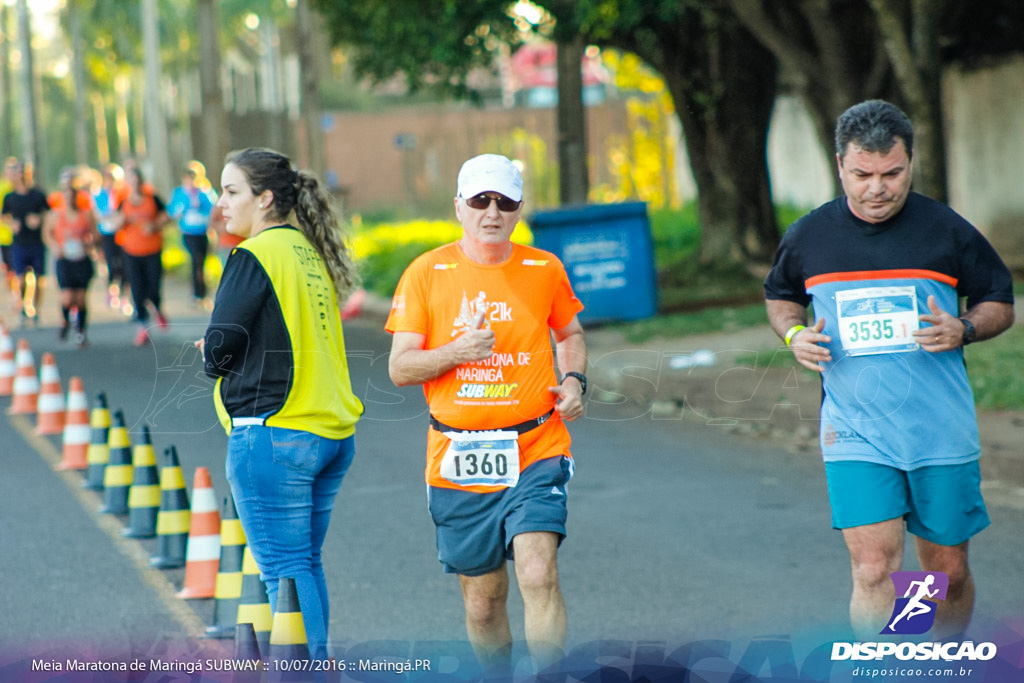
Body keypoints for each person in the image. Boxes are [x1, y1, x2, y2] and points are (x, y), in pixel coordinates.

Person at [764, 99, 1015, 640]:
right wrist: (794, 334)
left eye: (891, 174)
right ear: (839, 166)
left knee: (945, 572)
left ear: (910, 163)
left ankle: (935, 661)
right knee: (874, 569)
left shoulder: (946, 230)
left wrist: (964, 328)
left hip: (939, 429)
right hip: (855, 428)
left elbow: (999, 301)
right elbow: (780, 296)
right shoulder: (810, 236)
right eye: (862, 174)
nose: (877, 188)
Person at [385, 153, 587, 673]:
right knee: (484, 601)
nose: (492, 211)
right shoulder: (426, 273)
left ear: (519, 208)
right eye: (480, 200)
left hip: (537, 445)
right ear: (459, 206)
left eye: (505, 201)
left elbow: (570, 334)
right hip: (459, 455)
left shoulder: (545, 268)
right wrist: (457, 351)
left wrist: (573, 380)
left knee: (538, 575)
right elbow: (401, 368)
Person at [199, 147, 363, 663]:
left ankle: (305, 673)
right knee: (302, 567)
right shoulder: (307, 253)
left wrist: (211, 350)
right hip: (329, 433)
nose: (221, 203)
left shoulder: (253, 255)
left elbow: (221, 346)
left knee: (284, 575)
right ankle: (315, 665)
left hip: (274, 434)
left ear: (264, 198)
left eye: (231, 191)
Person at [115, 166, 171, 345]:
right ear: (128, 183)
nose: (136, 183)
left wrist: (154, 225)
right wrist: (121, 222)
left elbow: (166, 216)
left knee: (153, 285)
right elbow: (115, 224)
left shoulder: (152, 198)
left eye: (138, 180)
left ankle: (157, 307)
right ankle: (142, 326)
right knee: (137, 288)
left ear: (142, 181)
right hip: (132, 251)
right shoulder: (123, 202)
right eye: (132, 180)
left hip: (152, 250)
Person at [44, 168, 99, 347]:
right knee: (68, 297)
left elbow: (96, 235)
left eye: (72, 196)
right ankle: (65, 321)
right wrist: (55, 247)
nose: (70, 200)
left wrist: (88, 244)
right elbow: (47, 234)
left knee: (81, 298)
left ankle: (81, 332)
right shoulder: (56, 215)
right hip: (65, 260)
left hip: (81, 259)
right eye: (66, 197)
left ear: (77, 198)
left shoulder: (86, 215)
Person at [1, 160, 50, 326]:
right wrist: (11, 224)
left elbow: (48, 214)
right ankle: (23, 306)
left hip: (37, 242)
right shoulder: (10, 197)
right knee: (20, 278)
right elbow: (3, 216)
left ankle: (35, 307)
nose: (21, 176)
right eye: (19, 172)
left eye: (25, 172)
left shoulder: (38, 195)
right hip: (19, 242)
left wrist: (39, 220)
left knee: (39, 279)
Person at [167, 164, 217, 308]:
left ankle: (204, 294)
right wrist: (186, 206)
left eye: (194, 177)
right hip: (189, 233)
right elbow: (172, 212)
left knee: (202, 264)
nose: (191, 180)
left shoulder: (206, 192)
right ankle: (197, 294)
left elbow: (213, 210)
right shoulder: (180, 193)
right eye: (188, 177)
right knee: (196, 260)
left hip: (204, 233)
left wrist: (201, 205)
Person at [92, 163, 130, 313]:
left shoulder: (124, 193)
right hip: (106, 234)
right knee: (111, 263)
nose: (110, 180)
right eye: (108, 177)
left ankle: (124, 294)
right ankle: (112, 289)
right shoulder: (99, 194)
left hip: (122, 233)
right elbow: (98, 214)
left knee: (125, 265)